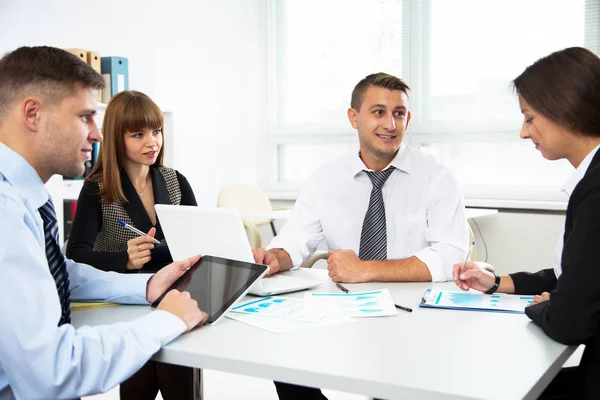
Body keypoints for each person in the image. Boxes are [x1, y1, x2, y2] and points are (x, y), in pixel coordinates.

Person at [0, 46, 208, 400]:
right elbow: (51, 372)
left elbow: (59, 272)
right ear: (33, 113)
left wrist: (147, 286)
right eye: (85, 117)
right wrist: (165, 319)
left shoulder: (27, 197)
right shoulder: (7, 211)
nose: (96, 134)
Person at [253, 72, 469, 400]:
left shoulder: (435, 177)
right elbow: (296, 238)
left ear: (408, 119)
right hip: (348, 308)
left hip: (415, 316)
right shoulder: (327, 178)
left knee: (392, 387)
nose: (391, 124)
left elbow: (451, 255)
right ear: (354, 118)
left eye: (399, 113)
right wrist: (276, 256)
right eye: (378, 112)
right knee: (283, 358)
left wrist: (366, 269)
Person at [454, 47, 600, 400]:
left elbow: (569, 320)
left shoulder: (596, 191)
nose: (523, 132)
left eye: (530, 117)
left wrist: (547, 307)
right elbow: (577, 275)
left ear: (566, 110)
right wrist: (497, 283)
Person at [66, 90, 198, 398]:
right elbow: (76, 256)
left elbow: (197, 242)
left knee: (179, 383)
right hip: (127, 304)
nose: (152, 142)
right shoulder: (97, 189)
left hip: (175, 295)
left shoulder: (176, 181)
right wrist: (123, 259)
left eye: (156, 132)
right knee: (142, 384)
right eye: (138, 134)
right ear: (116, 138)